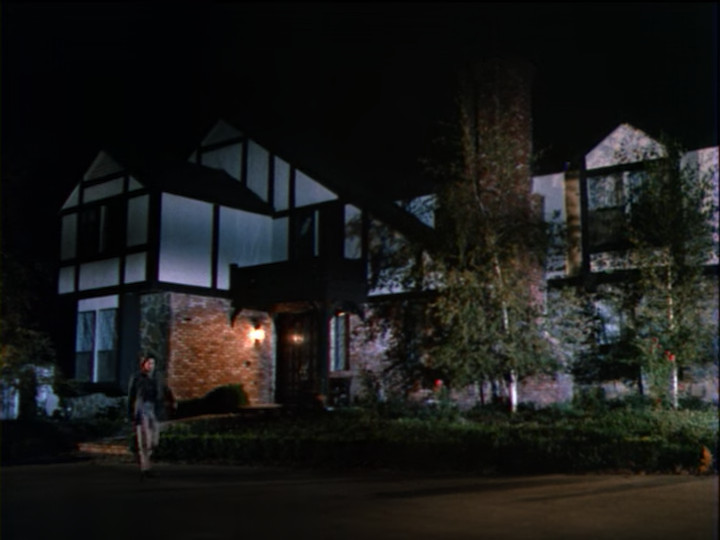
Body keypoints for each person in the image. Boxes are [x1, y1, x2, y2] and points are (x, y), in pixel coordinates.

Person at [127, 355, 169, 480]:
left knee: (154, 441)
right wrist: (131, 413)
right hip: (142, 409)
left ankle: (147, 461)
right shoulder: (137, 377)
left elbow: (164, 390)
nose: (151, 366)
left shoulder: (157, 377)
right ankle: (145, 468)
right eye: (149, 363)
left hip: (153, 410)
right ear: (144, 364)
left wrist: (170, 402)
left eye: (153, 363)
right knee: (145, 440)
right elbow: (131, 396)